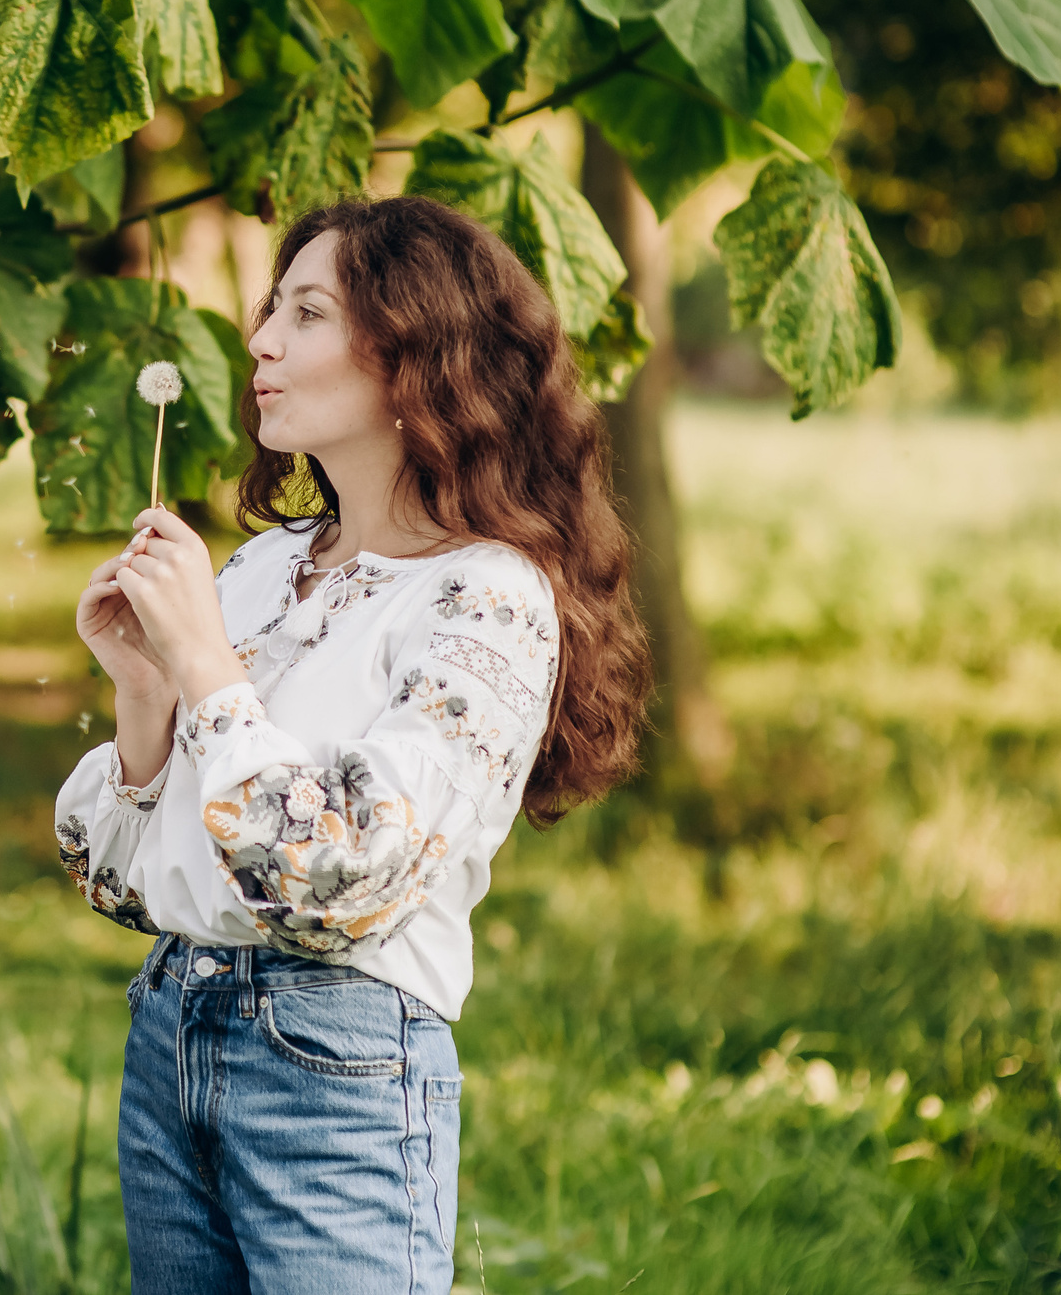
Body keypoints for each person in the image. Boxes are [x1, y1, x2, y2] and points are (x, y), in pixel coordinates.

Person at [58, 196, 650, 1294]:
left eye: (308, 312)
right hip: (170, 1028)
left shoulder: (485, 597)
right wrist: (145, 692)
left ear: (414, 356)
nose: (261, 340)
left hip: (335, 1060)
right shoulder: (258, 568)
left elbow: (337, 881)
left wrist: (208, 670)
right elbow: (122, 881)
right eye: (271, 307)